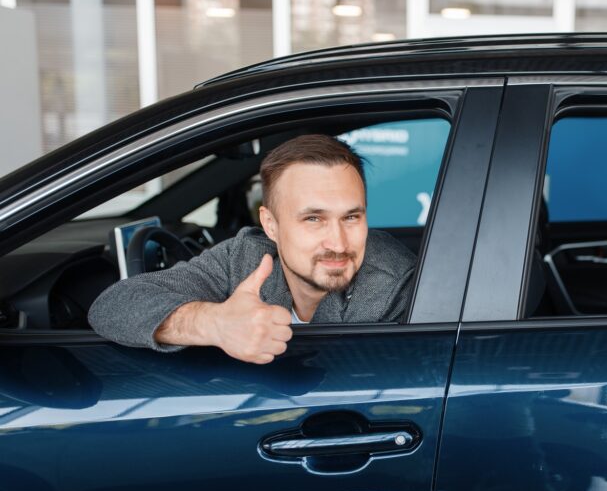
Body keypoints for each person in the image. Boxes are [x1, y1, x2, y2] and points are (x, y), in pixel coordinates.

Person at [88, 134, 415, 364]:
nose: (339, 243)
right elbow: (113, 305)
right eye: (314, 219)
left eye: (351, 217)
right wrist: (215, 323)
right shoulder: (247, 256)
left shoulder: (396, 289)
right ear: (270, 224)